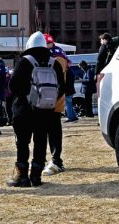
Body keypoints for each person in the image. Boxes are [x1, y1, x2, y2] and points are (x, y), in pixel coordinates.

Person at [6, 31, 66, 187]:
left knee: (22, 143)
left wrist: (25, 97)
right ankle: (36, 176)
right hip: (45, 111)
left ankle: (22, 177)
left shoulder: (25, 61)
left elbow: (12, 85)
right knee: (40, 142)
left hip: (23, 110)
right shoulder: (54, 63)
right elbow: (62, 87)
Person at [43, 34, 75, 176]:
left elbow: (59, 80)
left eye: (48, 43)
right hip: (45, 99)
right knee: (46, 130)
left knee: (54, 129)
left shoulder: (57, 56)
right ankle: (49, 159)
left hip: (54, 99)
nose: (46, 46)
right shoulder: (51, 55)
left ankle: (56, 160)